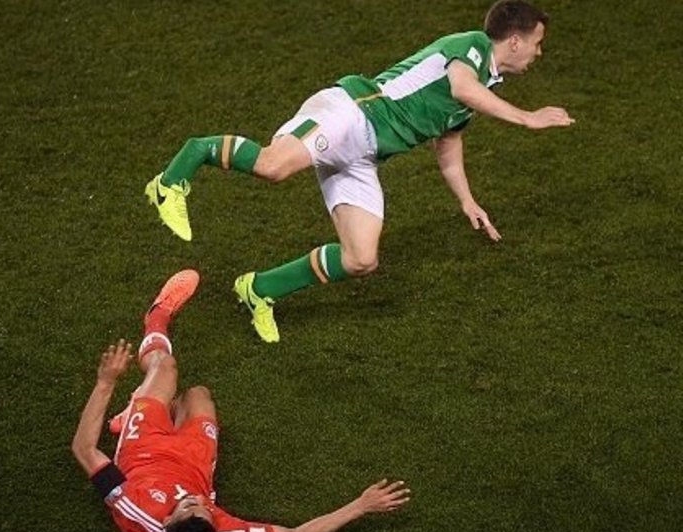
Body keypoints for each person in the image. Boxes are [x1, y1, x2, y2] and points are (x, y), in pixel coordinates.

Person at [143, 0, 575, 344]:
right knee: (272, 166)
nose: (539, 52)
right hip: (350, 114)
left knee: (361, 258)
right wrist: (527, 118)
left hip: (363, 155)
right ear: (514, 40)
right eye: (537, 42)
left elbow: (449, 144)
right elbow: (461, 85)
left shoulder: (485, 86)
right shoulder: (473, 46)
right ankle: (176, 174)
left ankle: (258, 289)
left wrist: (467, 200)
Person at [71, 269, 411, 532]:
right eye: (204, 508)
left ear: (166, 521)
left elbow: (84, 450)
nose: (197, 501)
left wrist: (106, 382)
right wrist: (361, 506)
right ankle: (145, 399)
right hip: (194, 463)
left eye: (187, 506)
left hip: (143, 452)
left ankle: (156, 318)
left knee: (165, 368)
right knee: (197, 395)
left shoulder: (133, 507)